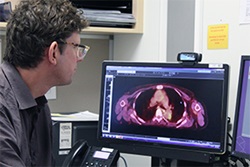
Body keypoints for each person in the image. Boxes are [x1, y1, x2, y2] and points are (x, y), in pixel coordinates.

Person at [0, 0, 89, 166]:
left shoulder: (38, 103)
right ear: (53, 52)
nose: (79, 58)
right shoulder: (3, 106)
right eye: (76, 47)